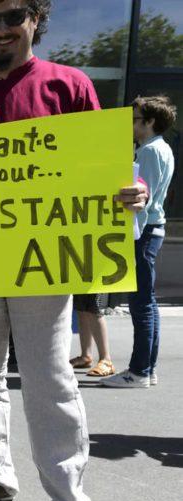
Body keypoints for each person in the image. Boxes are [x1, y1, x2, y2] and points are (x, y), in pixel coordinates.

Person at [0, 2, 148, 501]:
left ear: (34, 21)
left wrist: (131, 192)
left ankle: (72, 500)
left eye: (12, 15)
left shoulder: (69, 85)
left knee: (50, 379)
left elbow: (104, 166)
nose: (0, 28)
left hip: (42, 264)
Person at [102, 95, 176, 389]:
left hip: (144, 233)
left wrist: (130, 234)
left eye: (134, 119)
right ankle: (147, 369)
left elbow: (140, 201)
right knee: (148, 303)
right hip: (154, 230)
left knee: (141, 304)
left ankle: (139, 371)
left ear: (149, 122)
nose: (130, 125)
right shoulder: (162, 149)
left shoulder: (148, 152)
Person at [70, 294, 113, 377]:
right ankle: (85, 356)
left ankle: (106, 360)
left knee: (94, 309)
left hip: (94, 282)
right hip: (81, 281)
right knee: (81, 310)